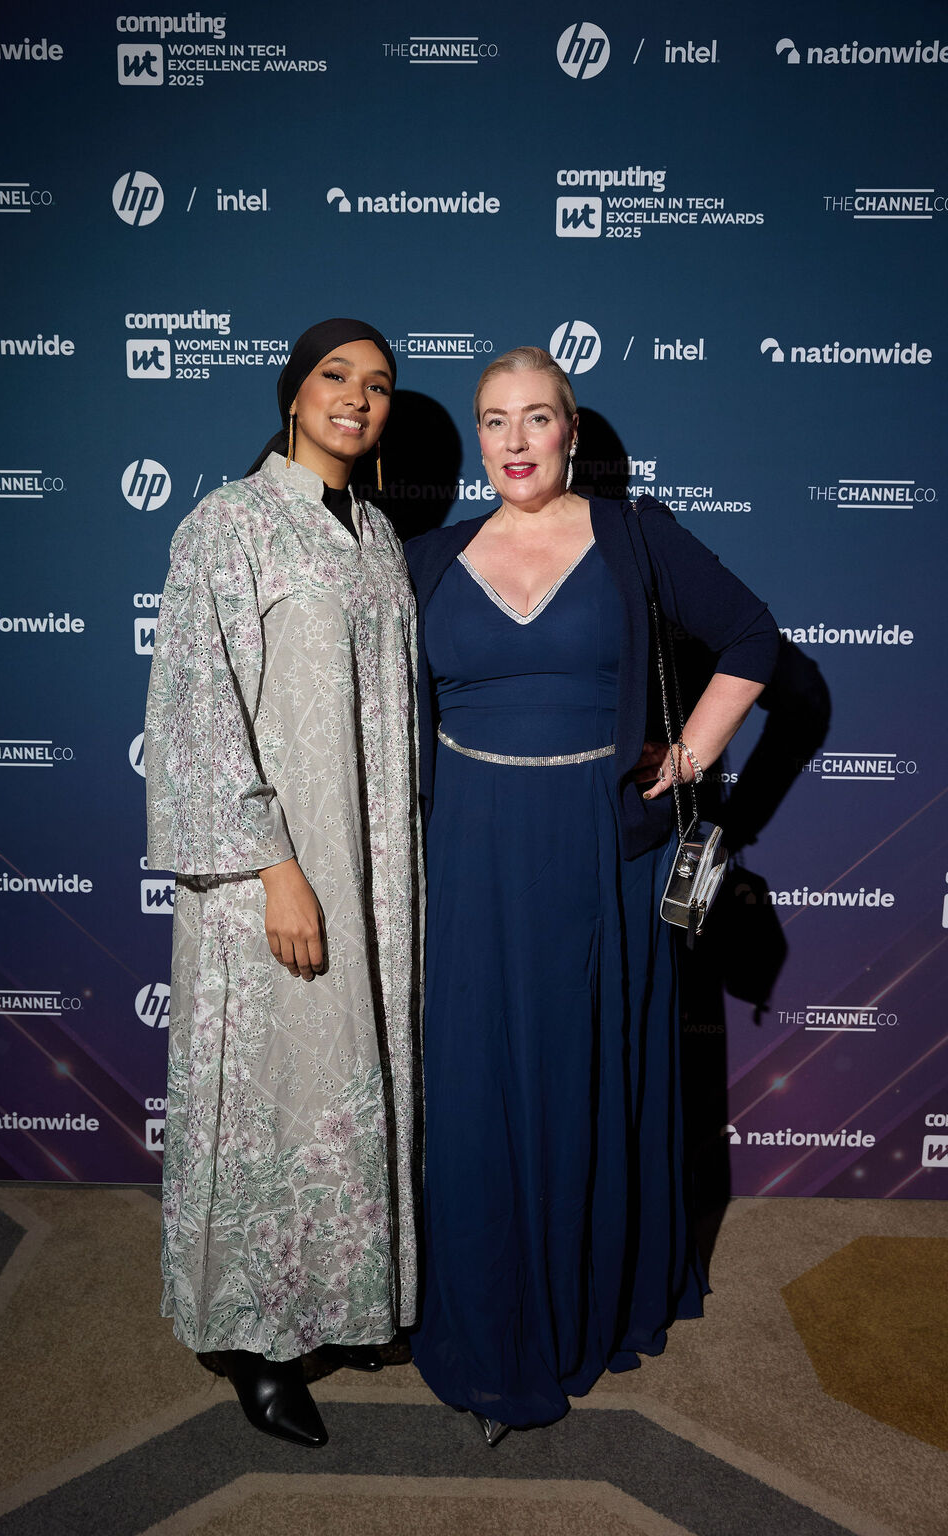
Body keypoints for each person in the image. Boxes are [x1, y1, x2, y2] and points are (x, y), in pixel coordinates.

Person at [406, 347, 778, 1444]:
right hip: (470, 853)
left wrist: (689, 755)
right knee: (476, 1082)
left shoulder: (633, 536)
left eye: (537, 417)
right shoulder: (427, 559)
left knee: (585, 1066)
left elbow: (753, 640)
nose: (515, 441)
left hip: (600, 854)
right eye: (494, 420)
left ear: (571, 429)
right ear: (478, 438)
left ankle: (586, 1300)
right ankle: (490, 1318)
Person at [144, 319, 422, 1448]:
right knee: (267, 1094)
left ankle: (344, 1302)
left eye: (379, 384)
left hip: (372, 869)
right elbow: (197, 714)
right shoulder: (228, 523)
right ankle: (256, 1342)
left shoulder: (381, 535)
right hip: (276, 873)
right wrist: (276, 869)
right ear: (293, 395)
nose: (358, 396)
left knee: (343, 1087)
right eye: (335, 376)